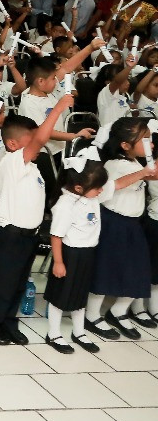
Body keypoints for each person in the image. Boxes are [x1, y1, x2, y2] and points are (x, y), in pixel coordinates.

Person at [0, 102, 69, 345]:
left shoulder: (32, 168)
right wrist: (58, 108)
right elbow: (41, 138)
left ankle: (7, 321)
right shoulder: (13, 161)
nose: (39, 142)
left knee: (17, 282)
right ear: (13, 144)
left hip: (28, 234)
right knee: (1, 282)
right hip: (9, 234)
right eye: (32, 139)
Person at [45, 150, 150, 353]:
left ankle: (79, 331)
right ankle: (54, 333)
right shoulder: (66, 204)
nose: (102, 191)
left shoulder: (92, 195)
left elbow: (118, 184)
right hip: (69, 255)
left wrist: (144, 172)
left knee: (80, 294)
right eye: (98, 187)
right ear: (78, 187)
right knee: (60, 295)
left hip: (88, 253)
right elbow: (56, 236)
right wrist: (58, 262)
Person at [84, 118, 156, 342]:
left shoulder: (136, 163)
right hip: (113, 222)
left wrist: (146, 172)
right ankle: (92, 315)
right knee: (106, 270)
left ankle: (118, 311)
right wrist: (145, 173)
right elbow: (110, 187)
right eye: (144, 139)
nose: (150, 143)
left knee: (138, 270)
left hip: (133, 224)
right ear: (125, 145)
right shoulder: (114, 164)